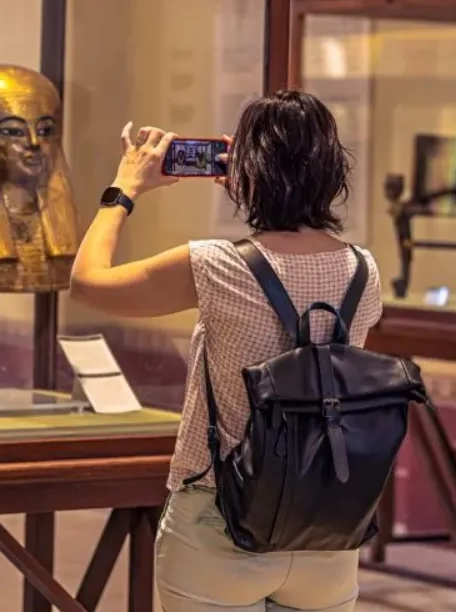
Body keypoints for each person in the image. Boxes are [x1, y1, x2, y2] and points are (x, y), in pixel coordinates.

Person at [70, 90, 383, 612]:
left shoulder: (217, 264)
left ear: (250, 171)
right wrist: (264, 189)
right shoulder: (363, 270)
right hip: (326, 525)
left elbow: (87, 283)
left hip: (222, 519)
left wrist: (124, 188)